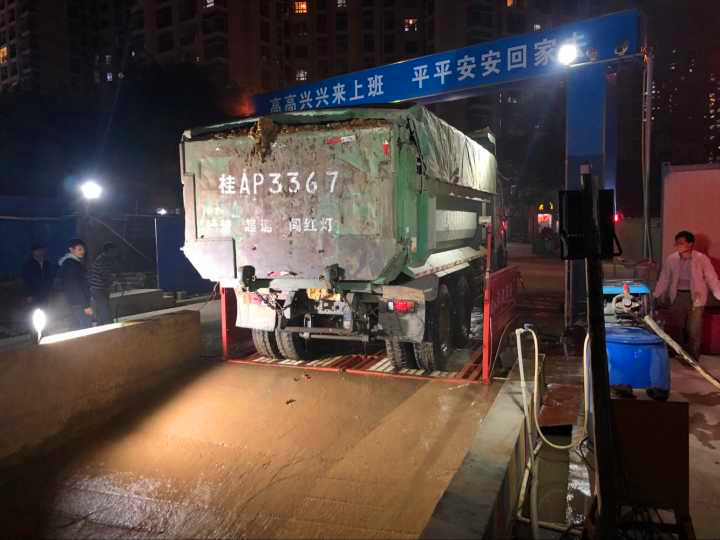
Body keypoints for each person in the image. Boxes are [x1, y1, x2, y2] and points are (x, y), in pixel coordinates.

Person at [653, 230, 720, 360]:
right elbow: (664, 279)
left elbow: (712, 279)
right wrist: (656, 295)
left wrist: (718, 294)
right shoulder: (672, 259)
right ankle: (677, 355)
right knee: (676, 327)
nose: (678, 245)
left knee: (694, 329)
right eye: (677, 243)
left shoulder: (701, 259)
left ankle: (693, 358)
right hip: (678, 296)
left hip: (696, 297)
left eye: (681, 243)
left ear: (690, 244)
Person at [58, 239, 93, 330]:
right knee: (86, 327)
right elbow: (75, 286)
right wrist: (85, 306)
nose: (83, 252)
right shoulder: (71, 264)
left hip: (76, 302)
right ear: (71, 249)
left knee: (81, 326)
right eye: (79, 249)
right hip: (79, 303)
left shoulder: (74, 262)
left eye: (83, 249)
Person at [88, 242, 118, 325]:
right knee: (104, 308)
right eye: (114, 251)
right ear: (109, 251)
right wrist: (114, 280)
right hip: (98, 289)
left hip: (102, 288)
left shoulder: (107, 259)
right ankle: (109, 325)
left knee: (102, 307)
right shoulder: (102, 260)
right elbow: (105, 274)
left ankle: (101, 324)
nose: (115, 253)